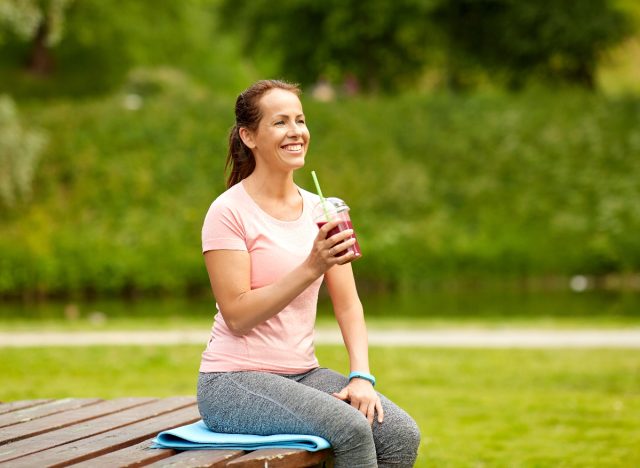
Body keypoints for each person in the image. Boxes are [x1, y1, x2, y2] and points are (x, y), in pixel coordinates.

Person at [197, 79, 420, 467]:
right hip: (233, 380)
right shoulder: (228, 212)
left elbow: (349, 306)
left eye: (300, 120)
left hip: (302, 373)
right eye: (280, 122)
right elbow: (237, 315)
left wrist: (361, 377)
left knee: (400, 433)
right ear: (249, 136)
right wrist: (310, 267)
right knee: (351, 428)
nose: (296, 131)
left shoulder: (323, 210)